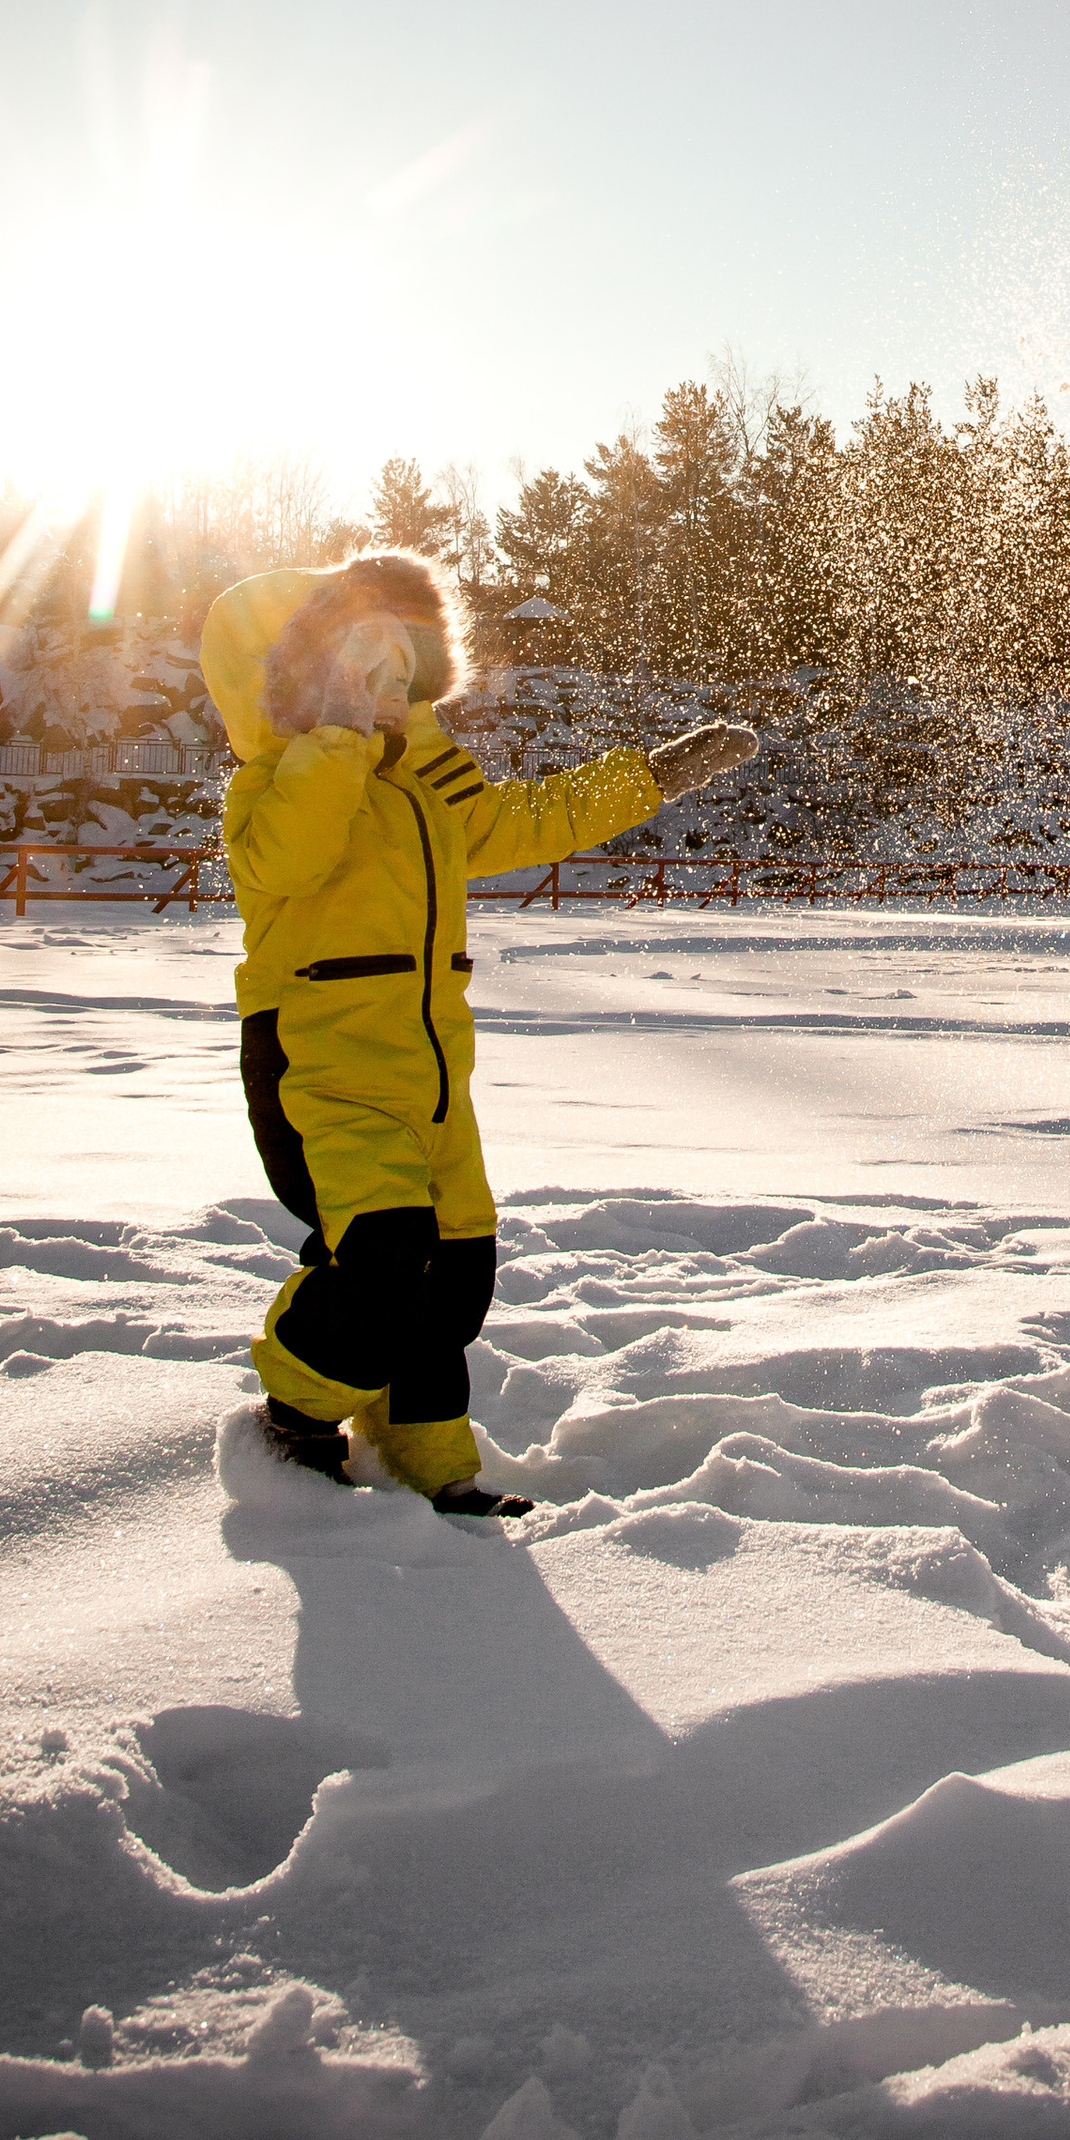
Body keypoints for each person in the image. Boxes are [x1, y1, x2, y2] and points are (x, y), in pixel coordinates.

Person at [199, 550, 756, 1515]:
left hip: (429, 1072)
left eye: (396, 669)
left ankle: (431, 1464)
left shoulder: (426, 787)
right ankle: (292, 1414)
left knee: (453, 1272)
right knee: (379, 1255)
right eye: (360, 669)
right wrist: (333, 734)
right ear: (292, 679)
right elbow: (291, 858)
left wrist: (649, 778)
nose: (388, 690)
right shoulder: (270, 788)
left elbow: (522, 820)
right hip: (318, 1064)